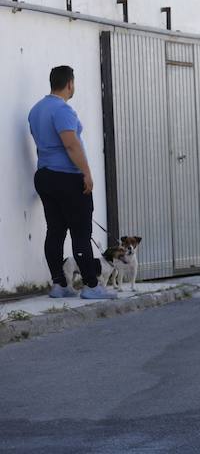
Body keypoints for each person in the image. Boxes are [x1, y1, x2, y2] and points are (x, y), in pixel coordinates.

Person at [28, 66, 117, 299]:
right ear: (69, 84)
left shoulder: (35, 110)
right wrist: (86, 173)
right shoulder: (63, 110)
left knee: (55, 231)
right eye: (73, 83)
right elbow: (70, 144)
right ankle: (91, 286)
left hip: (45, 176)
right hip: (67, 177)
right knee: (80, 231)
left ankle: (60, 284)